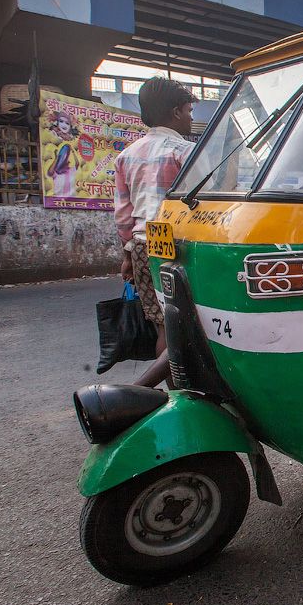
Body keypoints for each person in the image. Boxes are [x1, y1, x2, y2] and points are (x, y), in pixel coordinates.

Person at [114, 77, 196, 388]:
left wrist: (128, 253)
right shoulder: (185, 152)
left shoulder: (127, 156)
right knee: (190, 322)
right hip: (180, 248)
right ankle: (143, 390)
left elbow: (124, 215)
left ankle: (172, 393)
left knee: (163, 323)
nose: (190, 117)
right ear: (176, 112)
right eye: (188, 111)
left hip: (142, 247)